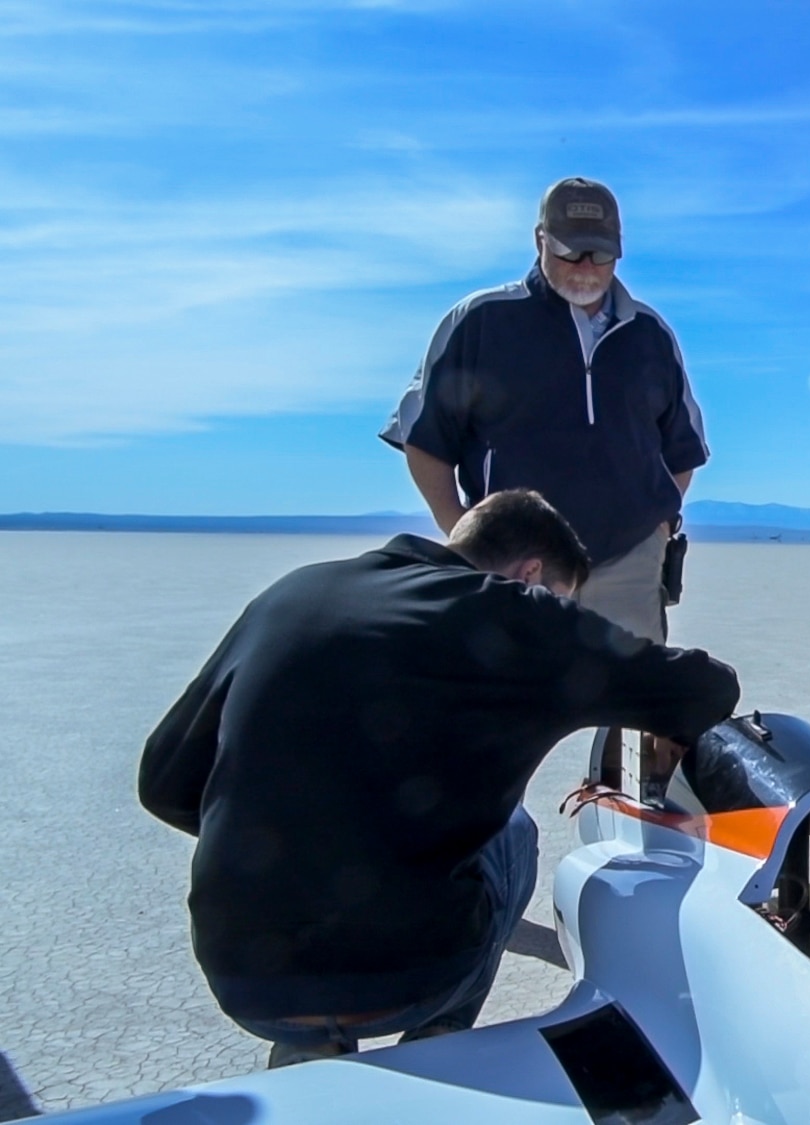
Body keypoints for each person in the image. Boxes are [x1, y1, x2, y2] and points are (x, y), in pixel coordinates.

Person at [137, 490, 740, 1068]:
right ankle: (441, 1040)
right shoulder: (518, 615)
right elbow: (705, 689)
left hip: (243, 975)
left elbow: (164, 784)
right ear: (530, 573)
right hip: (408, 975)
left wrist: (297, 841)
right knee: (516, 833)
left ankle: (313, 1050)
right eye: (563, 595)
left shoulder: (294, 593)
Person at [380, 177, 708, 642]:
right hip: (515, 565)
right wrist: (467, 537)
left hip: (627, 568)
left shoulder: (649, 335)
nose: (586, 266)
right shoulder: (482, 322)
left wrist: (653, 531)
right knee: (515, 701)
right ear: (540, 240)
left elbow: (682, 451)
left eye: (600, 253)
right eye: (570, 251)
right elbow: (424, 440)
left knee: (629, 698)